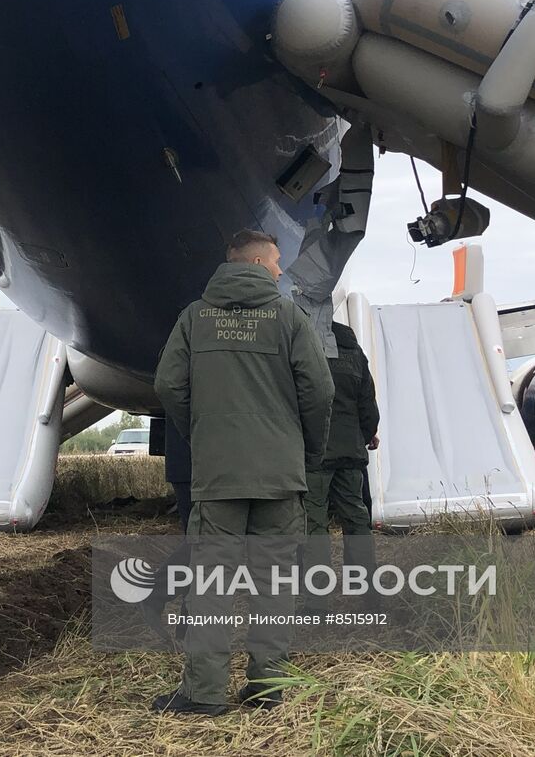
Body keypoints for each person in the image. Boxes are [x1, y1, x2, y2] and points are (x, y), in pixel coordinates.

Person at [151, 229, 334, 715]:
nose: (280, 270)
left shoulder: (193, 318)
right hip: (279, 475)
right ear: (255, 263)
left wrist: (205, 435)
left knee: (210, 588)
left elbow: (168, 385)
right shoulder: (290, 318)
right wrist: (305, 452)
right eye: (275, 261)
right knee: (274, 585)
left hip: (218, 477)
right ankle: (267, 689)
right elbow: (319, 390)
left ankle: (205, 694)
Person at [304, 320, 380, 594]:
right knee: (356, 518)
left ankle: (317, 602)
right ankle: (367, 589)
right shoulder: (354, 351)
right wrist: (364, 435)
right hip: (350, 452)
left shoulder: (303, 345)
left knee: (314, 525)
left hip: (314, 453)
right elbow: (368, 406)